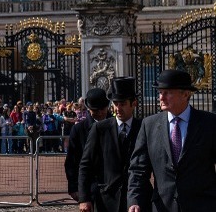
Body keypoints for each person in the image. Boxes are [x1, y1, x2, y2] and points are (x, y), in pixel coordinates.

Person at [128, 70, 216, 212]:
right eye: (160, 92)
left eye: (167, 92)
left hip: (202, 206)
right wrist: (134, 200)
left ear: (185, 94)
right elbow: (138, 168)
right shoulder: (149, 125)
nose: (161, 97)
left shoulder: (209, 123)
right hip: (163, 207)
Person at [78, 77, 148, 212]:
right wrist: (84, 198)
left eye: (122, 104)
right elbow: (85, 165)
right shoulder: (100, 129)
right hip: (106, 200)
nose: (117, 108)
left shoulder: (144, 127)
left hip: (137, 201)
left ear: (134, 103)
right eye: (115, 103)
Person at [66, 88, 110, 202]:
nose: (100, 113)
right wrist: (73, 187)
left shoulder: (115, 125)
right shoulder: (78, 129)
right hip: (90, 188)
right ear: (88, 109)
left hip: (113, 188)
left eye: (102, 109)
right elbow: (72, 161)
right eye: (95, 110)